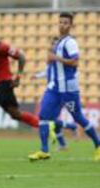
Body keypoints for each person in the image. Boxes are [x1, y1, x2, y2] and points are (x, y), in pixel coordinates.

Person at [0, 21, 77, 156]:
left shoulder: (1, 47)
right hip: (0, 85)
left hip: (4, 83)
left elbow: (21, 57)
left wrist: (18, 76)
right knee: (16, 114)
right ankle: (46, 125)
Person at [28, 12, 100, 161]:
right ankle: (44, 150)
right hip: (54, 88)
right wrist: (51, 61)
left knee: (78, 117)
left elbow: (75, 62)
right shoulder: (58, 42)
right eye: (60, 22)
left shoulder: (70, 42)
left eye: (65, 22)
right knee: (43, 117)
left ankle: (98, 145)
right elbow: (54, 63)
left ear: (71, 25)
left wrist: (57, 58)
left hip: (68, 89)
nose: (62, 25)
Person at [32, 37, 79, 151]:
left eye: (55, 44)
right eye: (52, 44)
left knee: (49, 119)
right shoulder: (51, 63)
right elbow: (46, 72)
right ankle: (63, 144)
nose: (53, 46)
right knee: (51, 121)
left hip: (60, 93)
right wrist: (36, 76)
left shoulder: (61, 63)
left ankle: (72, 127)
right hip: (52, 92)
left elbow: (72, 72)